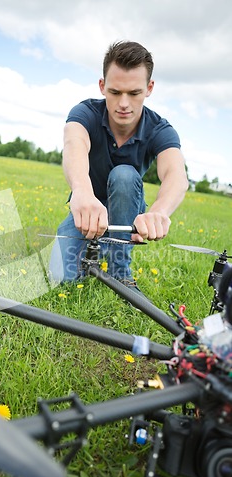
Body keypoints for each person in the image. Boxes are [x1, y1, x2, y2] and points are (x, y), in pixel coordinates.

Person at [49, 40, 188, 293]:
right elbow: (73, 143)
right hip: (86, 207)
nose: (124, 103)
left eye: (134, 93)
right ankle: (96, 245)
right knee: (61, 279)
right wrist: (81, 191)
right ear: (102, 86)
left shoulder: (160, 129)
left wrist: (159, 211)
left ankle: (119, 269)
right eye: (115, 92)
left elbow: (176, 175)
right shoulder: (85, 112)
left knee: (124, 174)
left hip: (127, 213)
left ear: (149, 88)